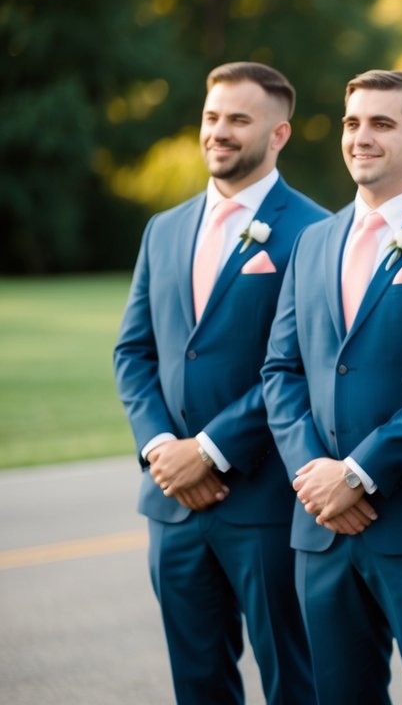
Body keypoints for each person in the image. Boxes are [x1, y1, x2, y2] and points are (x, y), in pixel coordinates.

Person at [113, 61, 327, 704]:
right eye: (212, 117)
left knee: (295, 678)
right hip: (171, 503)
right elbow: (133, 352)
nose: (220, 131)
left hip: (265, 500)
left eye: (239, 119)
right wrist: (161, 450)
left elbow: (305, 369)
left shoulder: (317, 232)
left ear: (279, 133)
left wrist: (207, 450)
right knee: (196, 680)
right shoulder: (165, 228)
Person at [261, 70, 402, 704]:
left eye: (382, 123)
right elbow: (281, 370)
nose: (361, 137)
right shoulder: (314, 241)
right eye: (353, 123)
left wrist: (360, 473)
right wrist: (314, 475)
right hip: (318, 525)